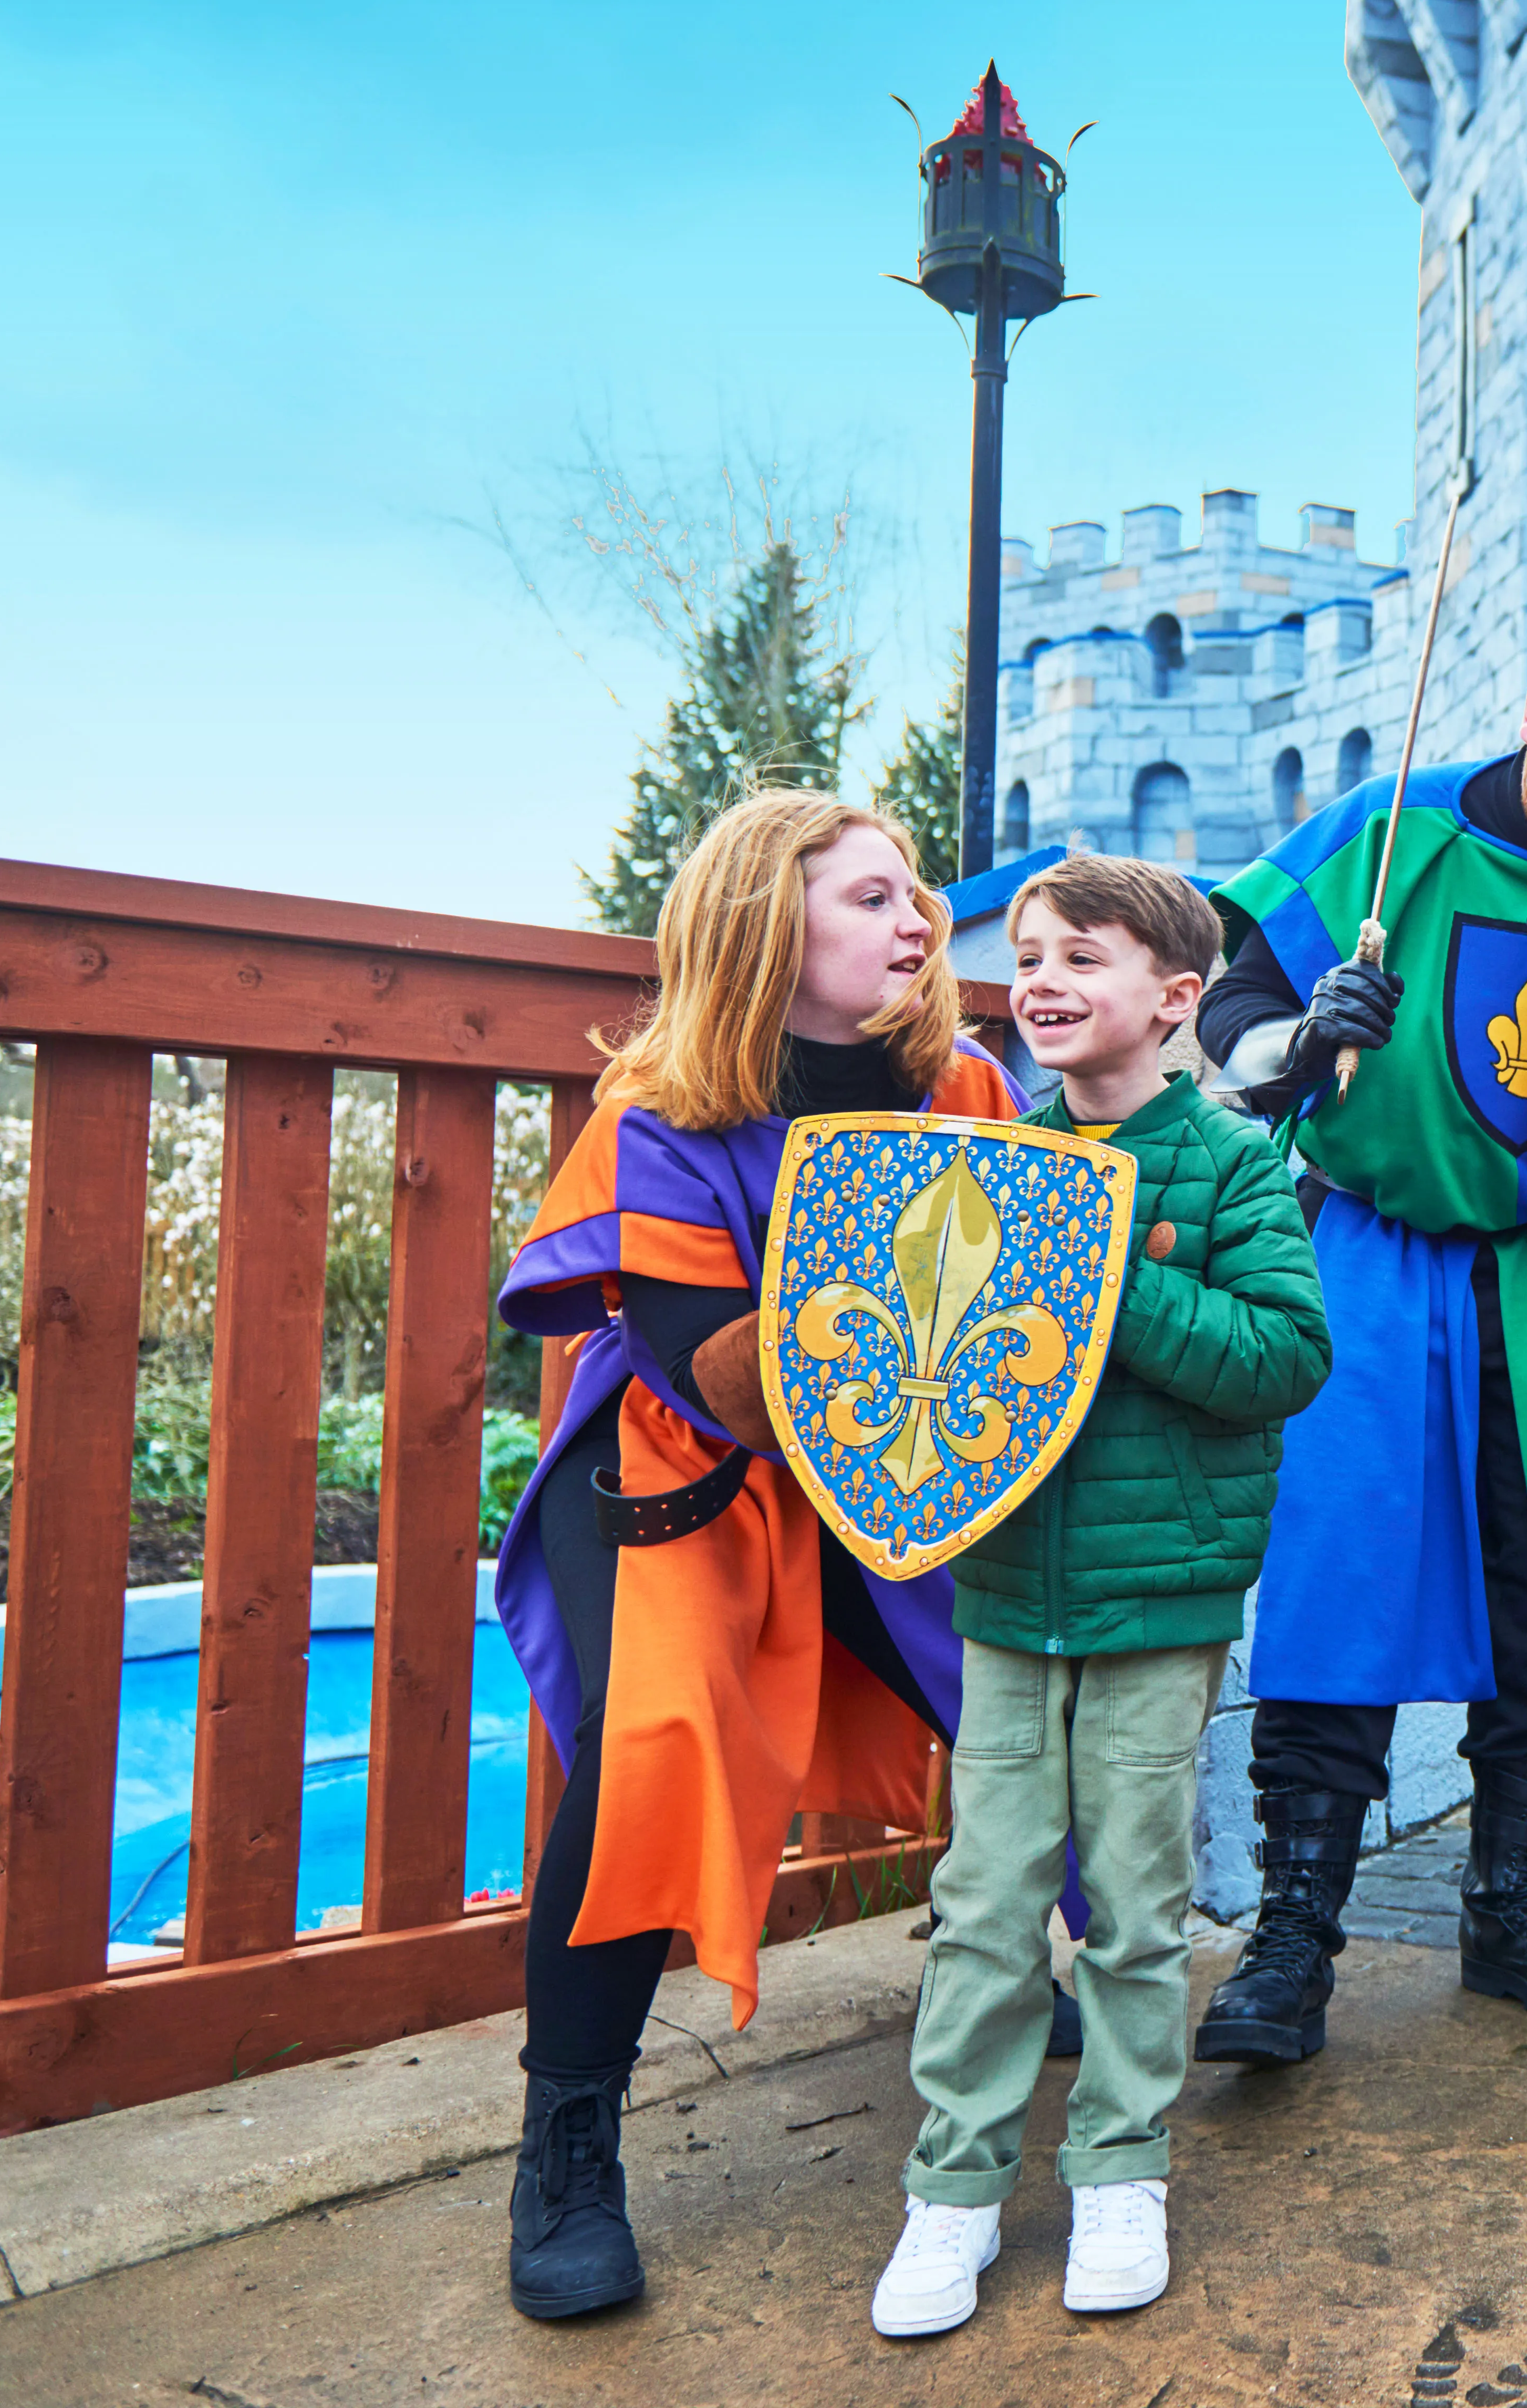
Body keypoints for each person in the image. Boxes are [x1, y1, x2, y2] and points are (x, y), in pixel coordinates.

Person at [1189, 593, 1527, 2064]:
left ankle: (1511, 1898)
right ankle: (1296, 1925)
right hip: (1365, 1245)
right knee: (1336, 1570)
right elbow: (1232, 1004)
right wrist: (1299, 1042)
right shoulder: (1394, 830)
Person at [490, 792, 1015, 2320]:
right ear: (761, 928)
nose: (916, 920)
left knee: (1017, 1697)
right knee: (658, 1749)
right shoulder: (654, 1120)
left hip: (896, 1463)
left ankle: (1028, 1978)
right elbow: (715, 1369)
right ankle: (567, 2143)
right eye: (870, 899)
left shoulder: (971, 1086)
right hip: (686, 1471)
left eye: (913, 894)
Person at [870, 856, 1330, 2339]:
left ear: (1178, 999)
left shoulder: (1232, 1162)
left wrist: (1108, 1276)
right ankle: (952, 2189)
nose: (1045, 982)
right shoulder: (989, 1160)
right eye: (1031, 956)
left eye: (1086, 957)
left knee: (1135, 1905)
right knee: (988, 1903)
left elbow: (1282, 1358)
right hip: (1005, 1589)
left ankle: (1122, 2164)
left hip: (1160, 1595)